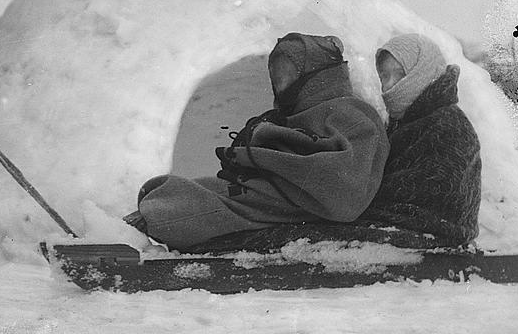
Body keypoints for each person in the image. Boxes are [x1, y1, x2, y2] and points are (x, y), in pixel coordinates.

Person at [125, 33, 390, 251]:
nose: (281, 83)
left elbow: (345, 190)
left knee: (199, 205)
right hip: (272, 193)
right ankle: (133, 226)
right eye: (276, 76)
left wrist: (262, 155)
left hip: (294, 203)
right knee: (186, 189)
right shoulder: (293, 114)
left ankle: (131, 234)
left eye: (289, 74)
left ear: (316, 75)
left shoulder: (352, 113)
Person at [358, 33, 482, 245]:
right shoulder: (406, 121)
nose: (388, 86)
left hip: (439, 235)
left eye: (399, 74)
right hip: (411, 230)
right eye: (384, 77)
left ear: (422, 71)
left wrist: (360, 201)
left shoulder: (450, 124)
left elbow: (436, 191)